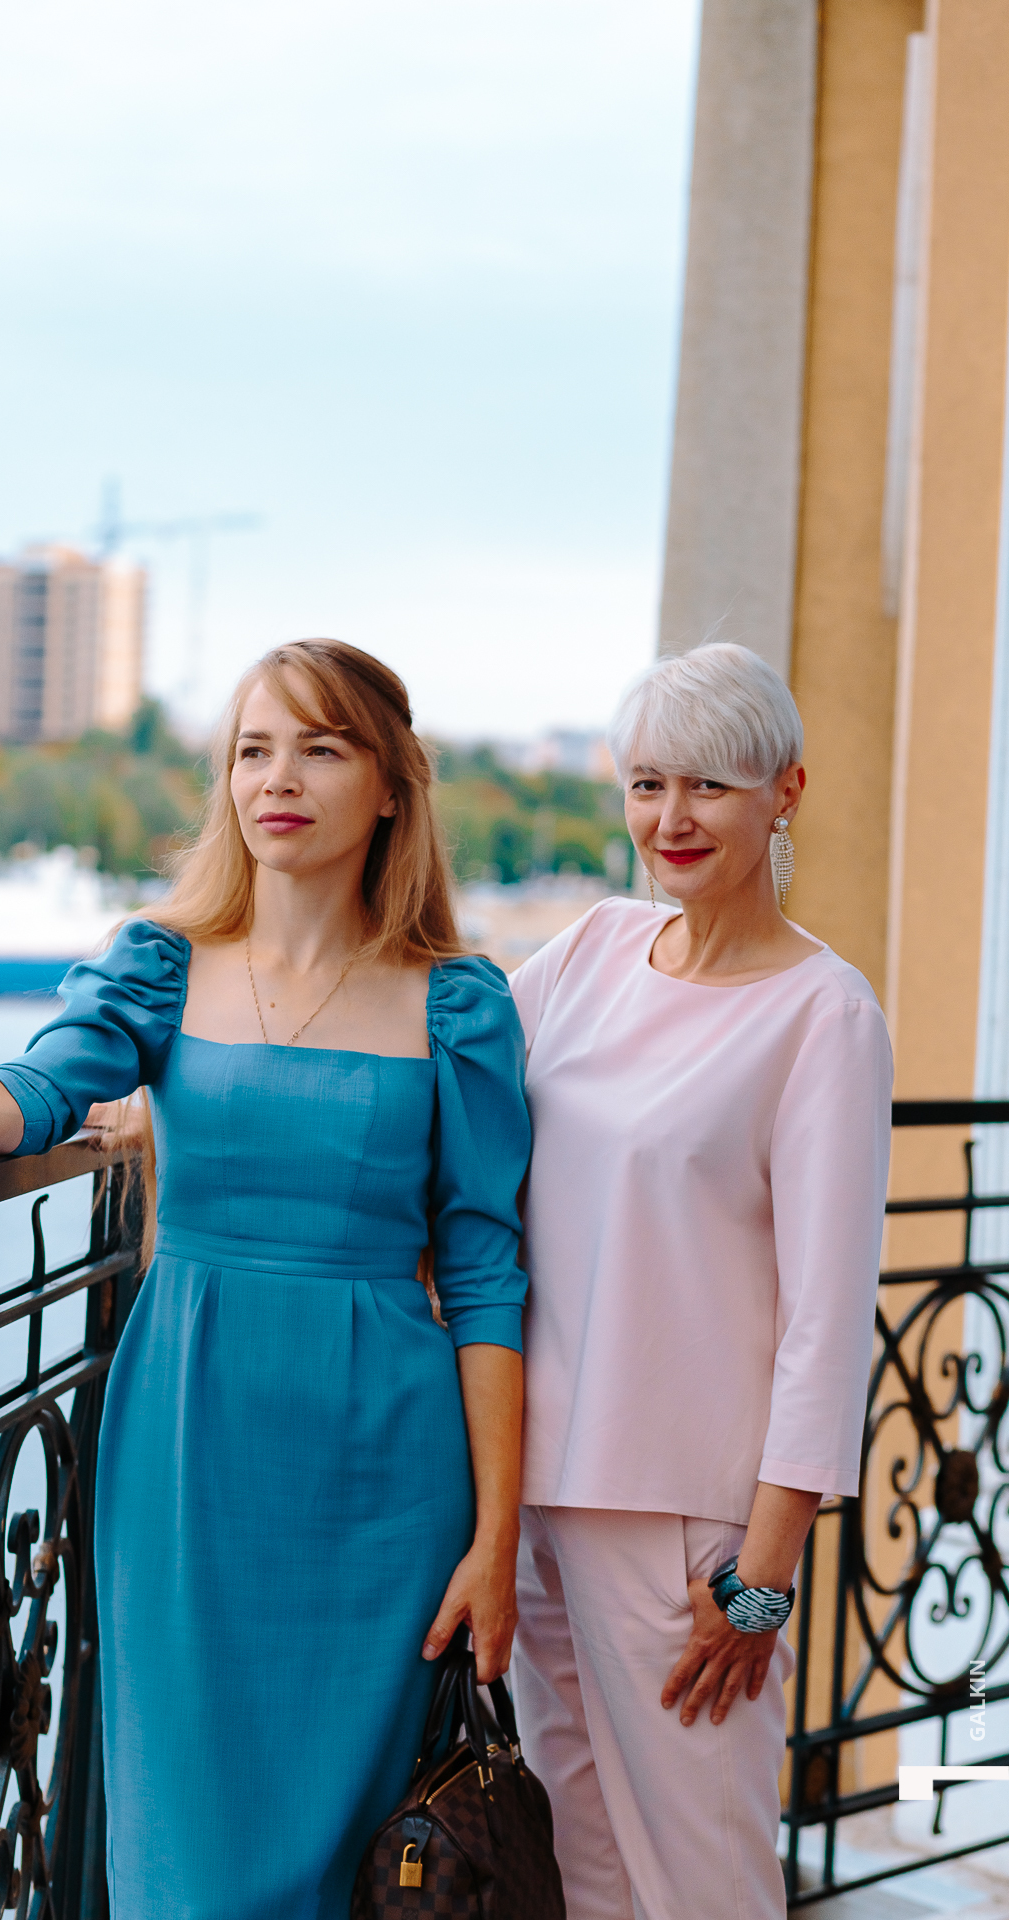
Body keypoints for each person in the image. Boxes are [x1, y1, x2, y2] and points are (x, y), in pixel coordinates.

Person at [0, 641, 530, 1919]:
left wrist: (495, 1541)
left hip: (388, 1476)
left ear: (389, 788)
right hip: (187, 1448)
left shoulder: (456, 1006)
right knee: (184, 1837)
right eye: (252, 750)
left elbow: (484, 1272)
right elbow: (40, 1086)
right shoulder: (162, 965)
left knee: (351, 1847)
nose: (276, 779)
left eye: (318, 750)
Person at [508, 642, 893, 1920]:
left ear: (784, 793)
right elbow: (428, 1064)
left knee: (701, 1882)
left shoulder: (822, 1015)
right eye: (646, 784)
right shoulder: (589, 952)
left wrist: (762, 1576)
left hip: (684, 1527)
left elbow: (827, 1318)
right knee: (582, 1867)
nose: (669, 819)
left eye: (709, 787)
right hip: (533, 1490)